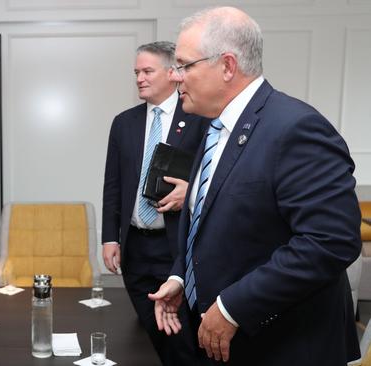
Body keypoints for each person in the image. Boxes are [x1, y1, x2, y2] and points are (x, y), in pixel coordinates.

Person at [150, 7, 361, 365]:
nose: (174, 77)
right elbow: (215, 222)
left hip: (286, 346)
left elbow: (331, 241)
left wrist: (233, 307)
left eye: (184, 65)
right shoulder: (216, 127)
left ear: (227, 66)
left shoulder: (295, 129)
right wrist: (181, 277)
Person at [101, 41, 208, 365]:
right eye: (136, 72)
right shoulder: (124, 122)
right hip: (135, 247)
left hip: (176, 248)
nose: (139, 78)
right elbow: (113, 184)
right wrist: (110, 237)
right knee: (148, 334)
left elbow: (215, 178)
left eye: (147, 71)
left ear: (173, 73)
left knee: (182, 337)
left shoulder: (200, 117)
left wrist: (188, 192)